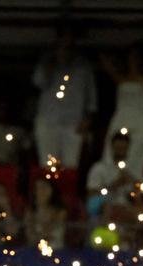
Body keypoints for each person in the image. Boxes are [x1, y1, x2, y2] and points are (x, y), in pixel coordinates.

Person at [32, 29, 97, 169]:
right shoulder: (46, 62)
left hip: (74, 123)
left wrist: (88, 119)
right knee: (47, 164)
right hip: (48, 120)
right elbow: (38, 82)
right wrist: (51, 63)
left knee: (70, 165)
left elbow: (91, 96)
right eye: (62, 44)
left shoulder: (83, 66)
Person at [98, 42, 143, 178]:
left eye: (136, 57)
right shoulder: (121, 79)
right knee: (111, 150)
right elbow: (107, 65)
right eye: (131, 57)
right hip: (121, 118)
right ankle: (108, 180)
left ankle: (133, 182)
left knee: (136, 153)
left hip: (139, 121)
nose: (133, 61)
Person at [86, 131, 143, 219]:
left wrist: (135, 184)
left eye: (123, 148)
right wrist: (115, 185)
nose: (121, 151)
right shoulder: (99, 168)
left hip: (127, 206)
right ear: (112, 147)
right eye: (118, 148)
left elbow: (141, 191)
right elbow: (91, 193)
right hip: (105, 206)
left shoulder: (133, 169)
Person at [23, 176, 69, 249]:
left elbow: (49, 231)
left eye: (45, 187)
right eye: (39, 188)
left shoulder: (60, 212)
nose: (42, 191)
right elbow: (30, 237)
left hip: (56, 250)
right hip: (34, 252)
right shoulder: (30, 213)